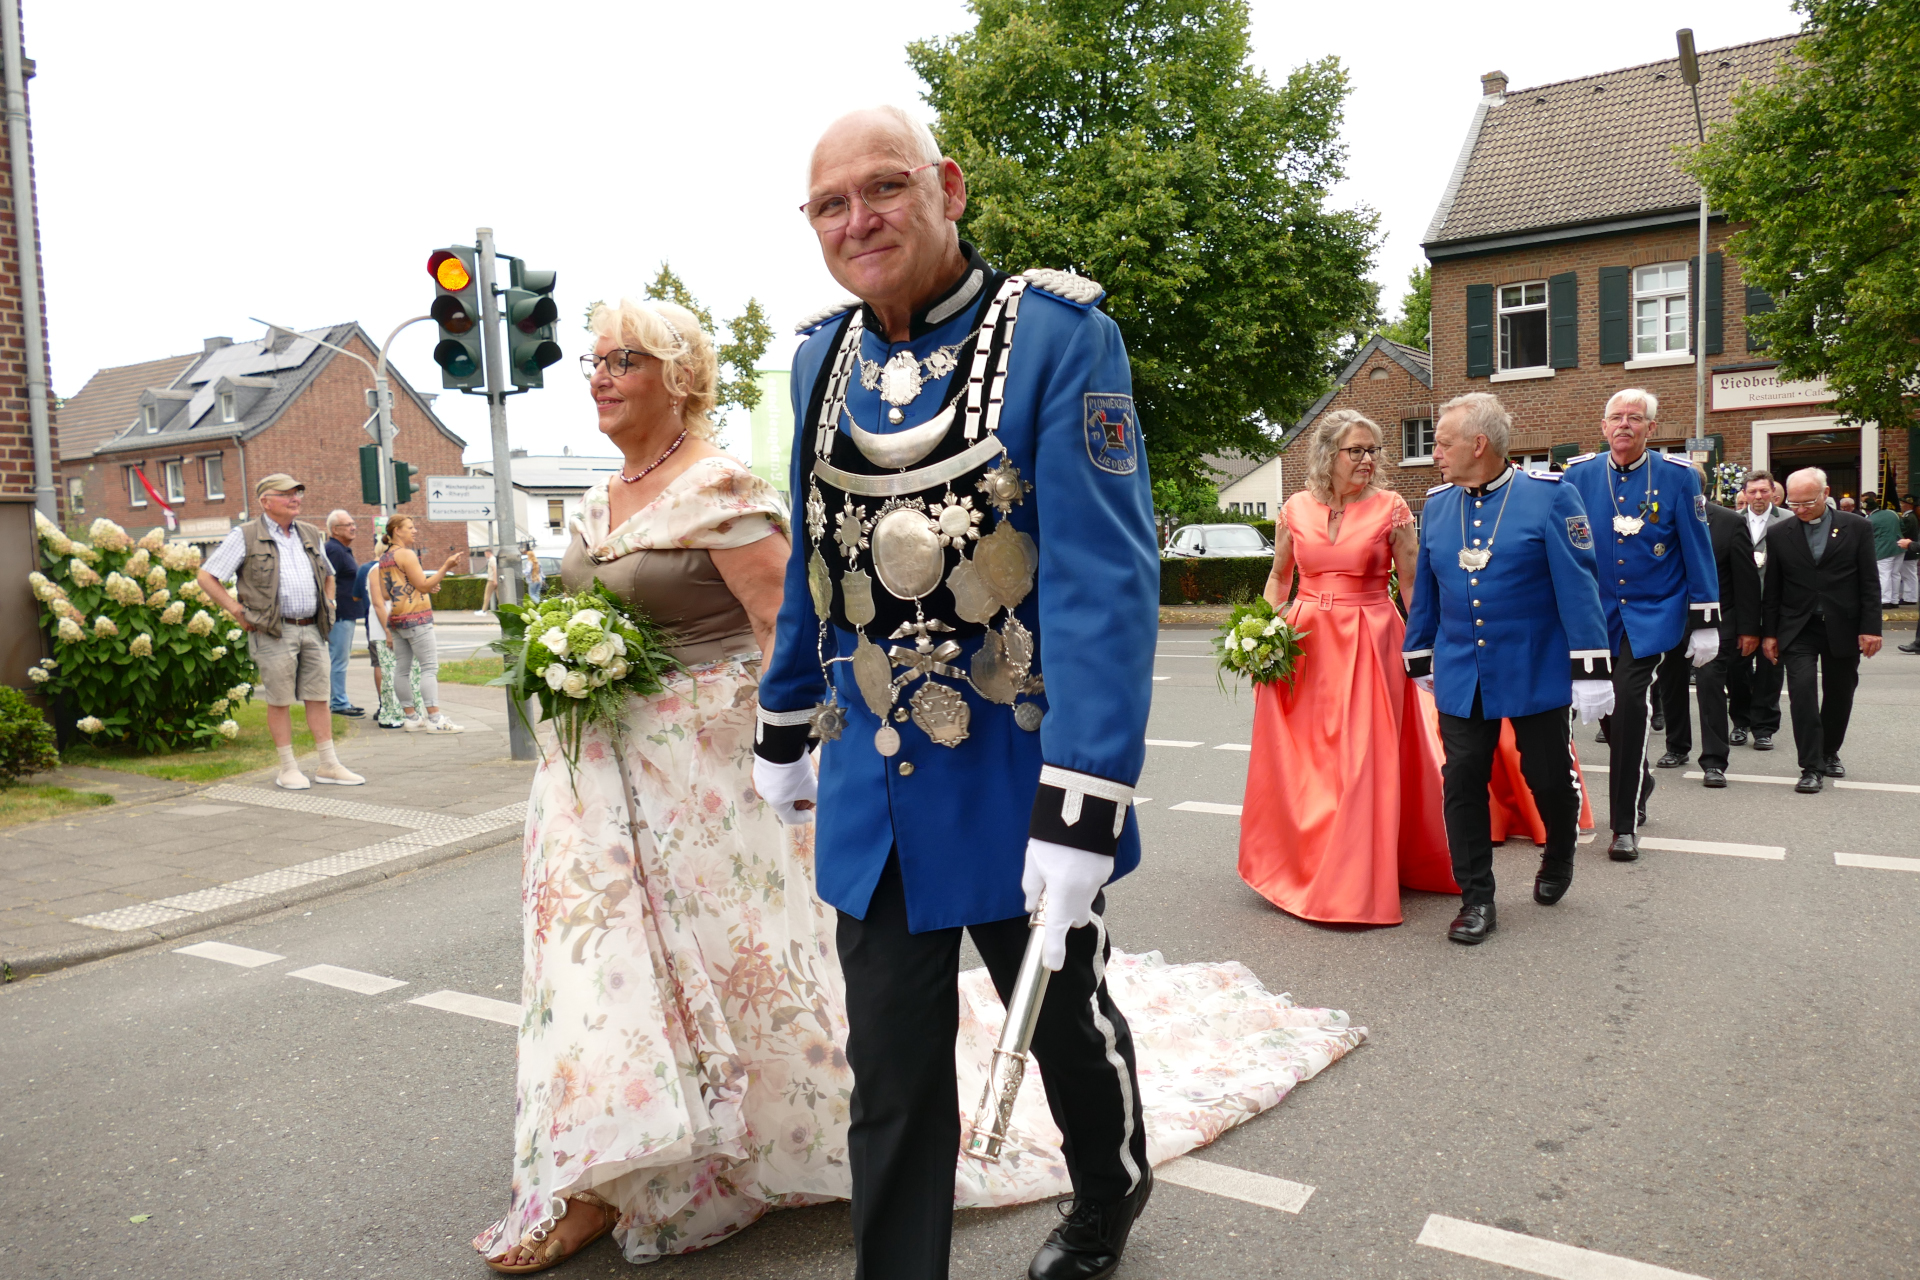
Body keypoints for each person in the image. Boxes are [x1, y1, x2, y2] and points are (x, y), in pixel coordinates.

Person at [753, 106, 1160, 1280]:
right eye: (831, 204)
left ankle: (1108, 1187)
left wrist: (1085, 796)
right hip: (876, 782)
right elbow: (815, 556)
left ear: (949, 188)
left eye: (884, 188)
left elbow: (1101, 580)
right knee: (888, 1070)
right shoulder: (818, 358)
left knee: (1062, 1026)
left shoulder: (1058, 336)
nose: (859, 220)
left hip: (1016, 771)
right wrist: (785, 713)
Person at [1403, 393, 1613, 945]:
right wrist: (1418, 650)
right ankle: (1477, 897)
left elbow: (1579, 585)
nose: (1435, 454)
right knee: (1462, 777)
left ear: (1479, 444)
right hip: (1461, 666)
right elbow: (1427, 587)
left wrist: (1591, 667)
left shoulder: (1550, 496)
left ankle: (1559, 852)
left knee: (1546, 775)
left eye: (1443, 444)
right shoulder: (1439, 504)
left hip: (1533, 663)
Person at [1237, 410, 1455, 924]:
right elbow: (1279, 577)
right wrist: (1259, 634)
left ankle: (1354, 881)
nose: (1367, 460)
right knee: (1306, 764)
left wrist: (1427, 644)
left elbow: (1411, 583)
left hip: (1371, 640)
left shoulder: (1391, 507)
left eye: (1372, 450)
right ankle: (1300, 864)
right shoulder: (1294, 508)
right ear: (1327, 455)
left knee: (1359, 763)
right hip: (1303, 644)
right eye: (1356, 450)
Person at [1562, 390, 1718, 861]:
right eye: (1616, 417)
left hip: (1651, 614)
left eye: (1635, 418)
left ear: (1651, 427)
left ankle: (1623, 826)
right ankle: (1640, 777)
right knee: (1609, 714)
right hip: (1594, 615)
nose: (1624, 425)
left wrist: (1705, 620)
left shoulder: (1677, 476)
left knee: (1629, 702)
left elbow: (1697, 548)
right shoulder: (1578, 475)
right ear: (1603, 426)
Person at [195, 474, 363, 790]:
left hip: (313, 628)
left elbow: (329, 574)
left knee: (319, 697)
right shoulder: (245, 535)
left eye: (297, 492)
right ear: (265, 501)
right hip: (273, 630)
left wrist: (329, 604)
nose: (295, 498)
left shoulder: (309, 532)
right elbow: (207, 576)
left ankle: (329, 765)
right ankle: (288, 769)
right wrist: (236, 611)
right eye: (286, 494)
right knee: (279, 699)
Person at [1761, 467, 1882, 792]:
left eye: (1807, 503)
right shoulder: (1780, 533)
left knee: (1840, 692)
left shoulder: (1857, 527)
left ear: (1825, 494)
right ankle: (1810, 766)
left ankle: (1829, 751)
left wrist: (1871, 628)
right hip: (1798, 626)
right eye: (1793, 503)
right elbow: (1773, 587)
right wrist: (1769, 633)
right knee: (1802, 693)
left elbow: (1869, 581)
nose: (1800, 510)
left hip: (1843, 624)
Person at [1652, 466, 1762, 787]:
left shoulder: (1729, 522)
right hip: (1672, 618)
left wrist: (1748, 629)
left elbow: (1746, 581)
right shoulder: (1659, 520)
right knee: (1671, 683)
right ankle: (1677, 746)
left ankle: (1714, 760)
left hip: (1716, 619)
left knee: (1711, 684)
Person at [367, 516, 464, 733]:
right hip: (417, 618)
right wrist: (446, 566)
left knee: (402, 669)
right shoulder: (406, 554)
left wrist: (423, 586)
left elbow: (386, 593)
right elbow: (423, 584)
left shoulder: (385, 558)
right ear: (397, 530)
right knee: (428, 667)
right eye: (410, 527)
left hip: (396, 619)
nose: (415, 531)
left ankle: (411, 717)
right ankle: (435, 718)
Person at [1730, 471, 1793, 748]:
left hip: (1775, 605)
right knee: (1736, 668)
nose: (1758, 497)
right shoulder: (1732, 521)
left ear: (1773, 493)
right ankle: (1740, 721)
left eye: (1764, 491)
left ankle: (1764, 727)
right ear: (1744, 493)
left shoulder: (1789, 520)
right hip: (1740, 606)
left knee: (1771, 668)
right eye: (1752, 491)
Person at [323, 510, 366, 718]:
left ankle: (340, 700)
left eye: (353, 523)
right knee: (338, 660)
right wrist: (331, 606)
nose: (353, 527)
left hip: (346, 613)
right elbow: (326, 578)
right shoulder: (334, 550)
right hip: (339, 614)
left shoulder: (342, 549)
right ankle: (339, 703)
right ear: (335, 530)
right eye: (348, 525)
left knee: (340, 659)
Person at [357, 558, 406, 729]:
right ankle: (389, 710)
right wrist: (388, 630)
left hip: (399, 624)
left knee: (398, 669)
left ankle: (403, 710)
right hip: (383, 627)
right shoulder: (376, 570)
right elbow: (378, 603)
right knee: (387, 669)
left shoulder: (399, 565)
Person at [1863, 493, 1904, 613]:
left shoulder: (1869, 520)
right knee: (1895, 574)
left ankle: (1885, 600)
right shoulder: (1892, 513)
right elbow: (1902, 526)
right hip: (1899, 546)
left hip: (1883, 549)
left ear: (1867, 510)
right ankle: (1894, 600)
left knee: (1884, 575)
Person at [476, 548, 498, 616]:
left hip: (491, 580)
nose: (485, 555)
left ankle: (483, 611)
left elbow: (494, 569)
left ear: (488, 553)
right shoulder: (493, 559)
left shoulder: (492, 560)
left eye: (485, 554)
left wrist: (495, 580)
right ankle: (504, 610)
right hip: (493, 579)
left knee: (487, 595)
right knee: (499, 596)